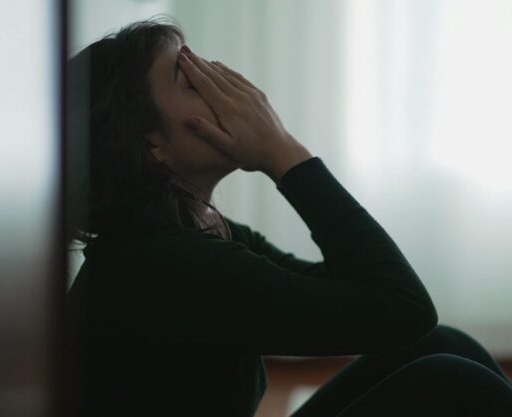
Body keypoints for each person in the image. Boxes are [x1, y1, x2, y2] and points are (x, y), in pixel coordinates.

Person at [64, 16, 512, 417]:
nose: (228, 90)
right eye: (193, 82)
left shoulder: (196, 234)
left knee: (445, 345)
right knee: (454, 381)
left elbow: (362, 295)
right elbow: (404, 307)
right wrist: (283, 155)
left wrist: (283, 152)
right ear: (151, 145)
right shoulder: (171, 266)